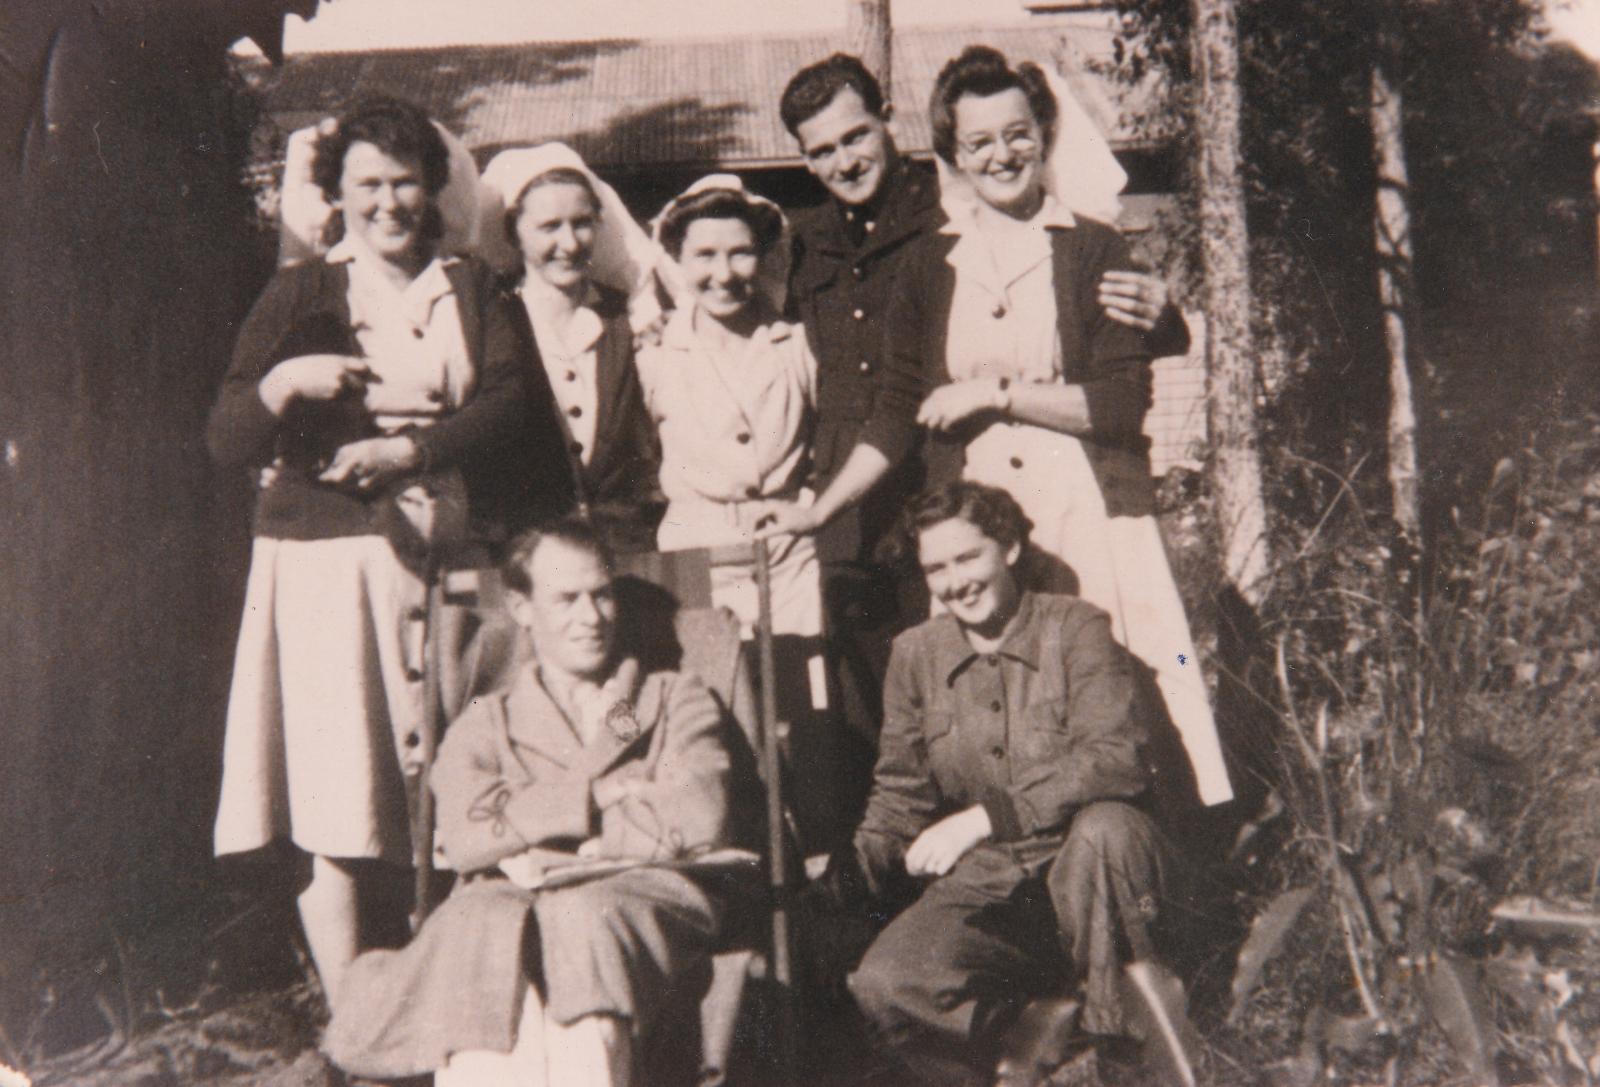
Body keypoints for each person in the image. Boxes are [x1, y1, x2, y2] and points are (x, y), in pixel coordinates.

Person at [771, 47, 1231, 807]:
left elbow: (1120, 404)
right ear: (953, 151)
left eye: (1017, 135)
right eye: (979, 142)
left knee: (1117, 682)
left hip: (1084, 503)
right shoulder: (931, 259)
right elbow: (896, 404)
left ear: (1044, 135)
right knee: (998, 697)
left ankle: (1157, 861)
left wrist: (995, 392)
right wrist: (819, 508)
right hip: (973, 510)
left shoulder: (1090, 245)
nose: (1002, 155)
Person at [207, 96, 566, 1005]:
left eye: (406, 182)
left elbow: (514, 403)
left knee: (451, 776)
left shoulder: (474, 286)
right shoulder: (302, 292)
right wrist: (288, 382)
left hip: (452, 552)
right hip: (327, 563)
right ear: (338, 192)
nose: (389, 202)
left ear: (433, 189)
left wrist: (410, 449)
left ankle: (449, 989)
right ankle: (354, 1012)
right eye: (368, 183)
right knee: (338, 787)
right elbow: (226, 433)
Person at [323, 518, 739, 1086]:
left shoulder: (664, 699)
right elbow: (467, 837)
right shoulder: (488, 720)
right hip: (509, 906)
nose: (591, 618)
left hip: (642, 899)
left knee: (577, 918)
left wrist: (533, 836)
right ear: (521, 609)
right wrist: (595, 800)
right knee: (481, 929)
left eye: (601, 595)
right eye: (567, 599)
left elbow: (697, 815)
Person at [807, 480, 1186, 1085]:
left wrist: (988, 817)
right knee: (889, 984)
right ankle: (1032, 1056)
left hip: (1096, 870)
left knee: (1105, 830)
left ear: (1008, 549)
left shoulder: (1076, 627)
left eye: (967, 557)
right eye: (936, 568)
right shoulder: (915, 655)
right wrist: (847, 876)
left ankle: (1124, 1050)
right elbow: (901, 796)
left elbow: (1117, 756)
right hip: (998, 888)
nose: (955, 581)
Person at [480, 144, 663, 551]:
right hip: (525, 550)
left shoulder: (628, 321)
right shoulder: (492, 321)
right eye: (549, 227)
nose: (570, 242)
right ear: (513, 232)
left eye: (582, 223)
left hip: (627, 545)